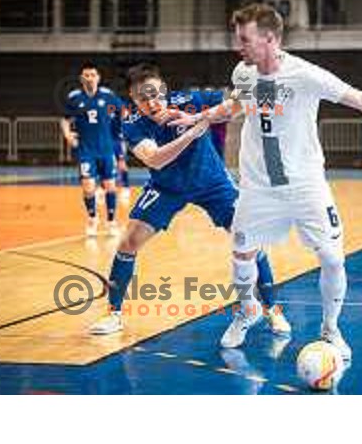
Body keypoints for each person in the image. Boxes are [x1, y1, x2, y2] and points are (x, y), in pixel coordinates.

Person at [169, 3, 362, 359]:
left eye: (244, 39)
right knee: (242, 253)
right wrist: (202, 117)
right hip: (259, 187)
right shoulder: (245, 71)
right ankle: (248, 309)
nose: (237, 45)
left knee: (332, 259)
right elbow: (238, 103)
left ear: (269, 39)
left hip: (305, 185)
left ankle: (331, 329)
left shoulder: (305, 75)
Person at [89, 63, 289, 336]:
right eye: (143, 98)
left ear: (164, 89)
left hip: (211, 181)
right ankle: (114, 315)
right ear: (134, 101)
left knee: (249, 237)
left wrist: (250, 91)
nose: (151, 102)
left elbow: (235, 104)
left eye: (155, 94)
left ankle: (273, 310)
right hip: (167, 185)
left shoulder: (191, 100)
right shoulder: (132, 124)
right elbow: (155, 159)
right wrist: (193, 131)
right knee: (129, 241)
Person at [61, 62, 123, 236]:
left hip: (106, 149)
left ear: (98, 77)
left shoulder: (108, 96)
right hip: (86, 150)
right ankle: (92, 218)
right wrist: (67, 134)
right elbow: (65, 119)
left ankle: (111, 221)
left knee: (110, 186)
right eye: (86, 75)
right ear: (81, 78)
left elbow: (122, 113)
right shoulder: (75, 97)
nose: (89, 78)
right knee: (88, 187)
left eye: (92, 75)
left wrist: (119, 131)